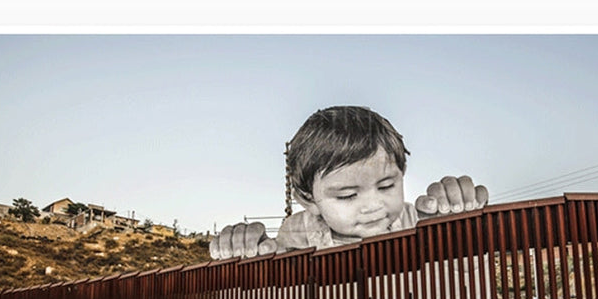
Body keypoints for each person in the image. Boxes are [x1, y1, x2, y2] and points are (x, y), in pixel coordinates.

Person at [209, 105, 489, 259]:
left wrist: (457, 229)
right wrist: (249, 257)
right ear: (308, 199)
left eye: (386, 186)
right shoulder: (296, 235)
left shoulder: (422, 221)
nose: (373, 205)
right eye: (347, 195)